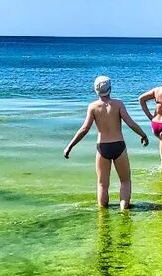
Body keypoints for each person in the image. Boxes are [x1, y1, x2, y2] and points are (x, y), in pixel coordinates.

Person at [64, 75, 149, 210]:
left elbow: (84, 129)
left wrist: (70, 146)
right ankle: (124, 211)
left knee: (102, 184)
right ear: (110, 88)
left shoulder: (92, 107)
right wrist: (143, 135)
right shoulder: (118, 104)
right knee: (125, 181)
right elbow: (130, 123)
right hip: (119, 146)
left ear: (96, 91)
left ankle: (103, 216)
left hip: (102, 147)